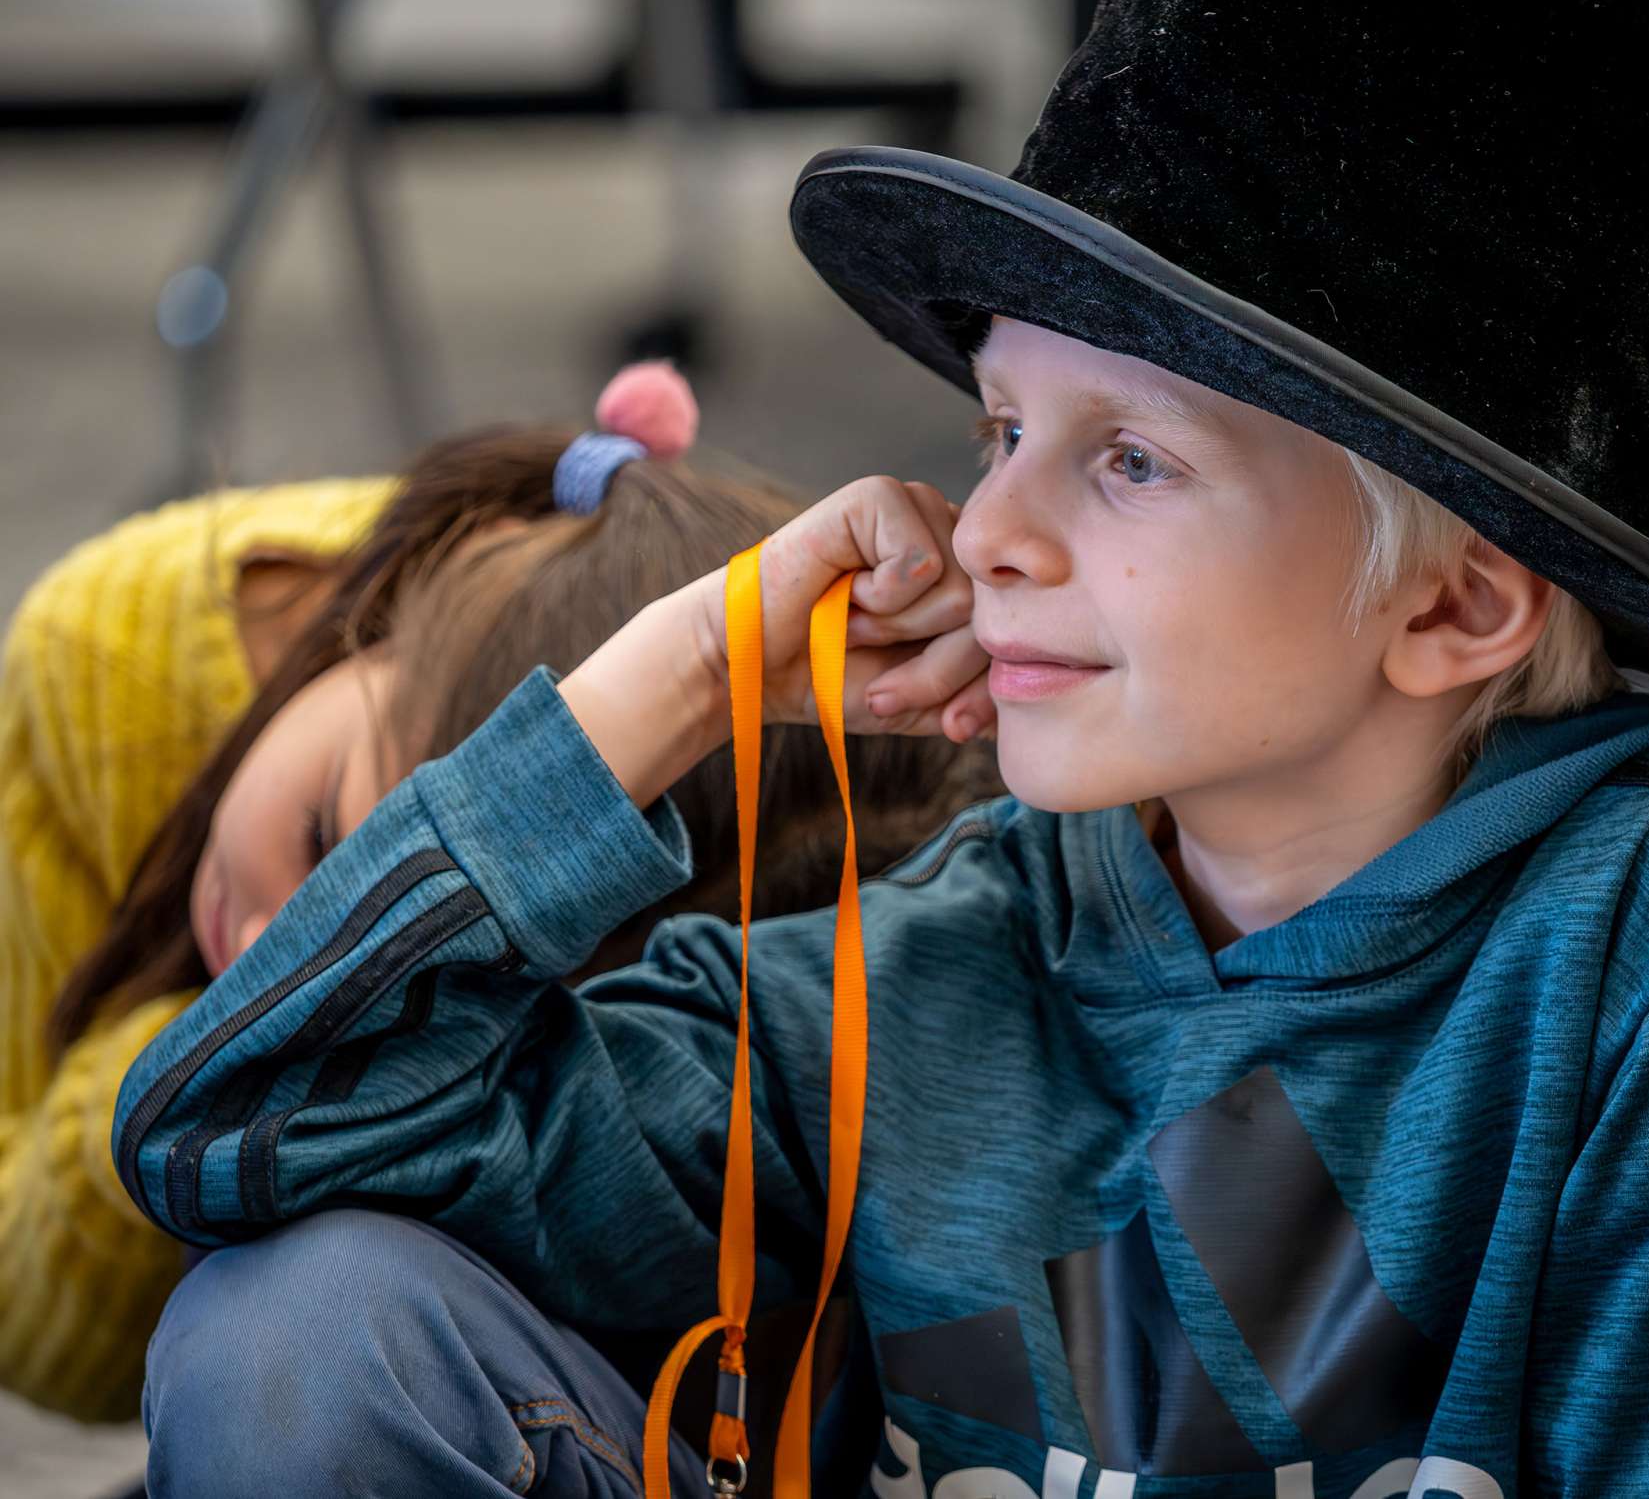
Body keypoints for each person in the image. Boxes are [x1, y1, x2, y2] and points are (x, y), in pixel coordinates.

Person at [120, 3, 1649, 1495]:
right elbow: (232, 1137)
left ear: (1457, 610)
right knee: (299, 1331)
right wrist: (665, 680)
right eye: (1000, 427)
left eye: (1129, 458)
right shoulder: (944, 954)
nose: (988, 527)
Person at [0, 365, 1000, 1426]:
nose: (273, 958)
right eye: (325, 840)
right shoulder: (104, 657)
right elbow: (37, 1332)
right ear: (383, 620)